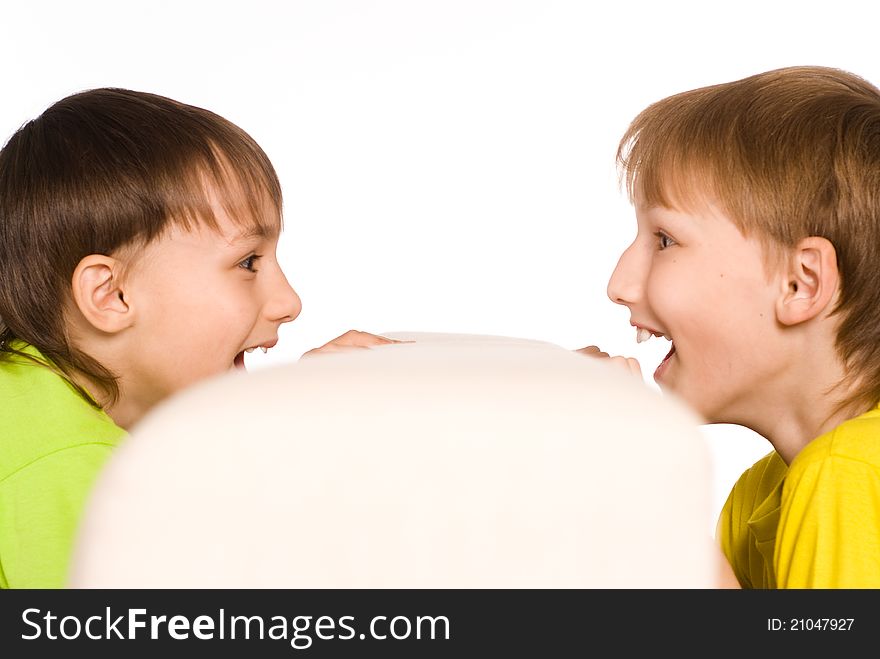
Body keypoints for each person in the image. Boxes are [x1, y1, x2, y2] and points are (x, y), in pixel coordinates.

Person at [0, 88, 392, 588]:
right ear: (112, 295)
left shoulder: (33, 403)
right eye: (248, 263)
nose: (289, 303)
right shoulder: (72, 468)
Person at [591, 66, 880, 588]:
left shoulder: (852, 472)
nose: (620, 284)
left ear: (800, 284)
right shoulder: (759, 495)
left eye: (664, 240)